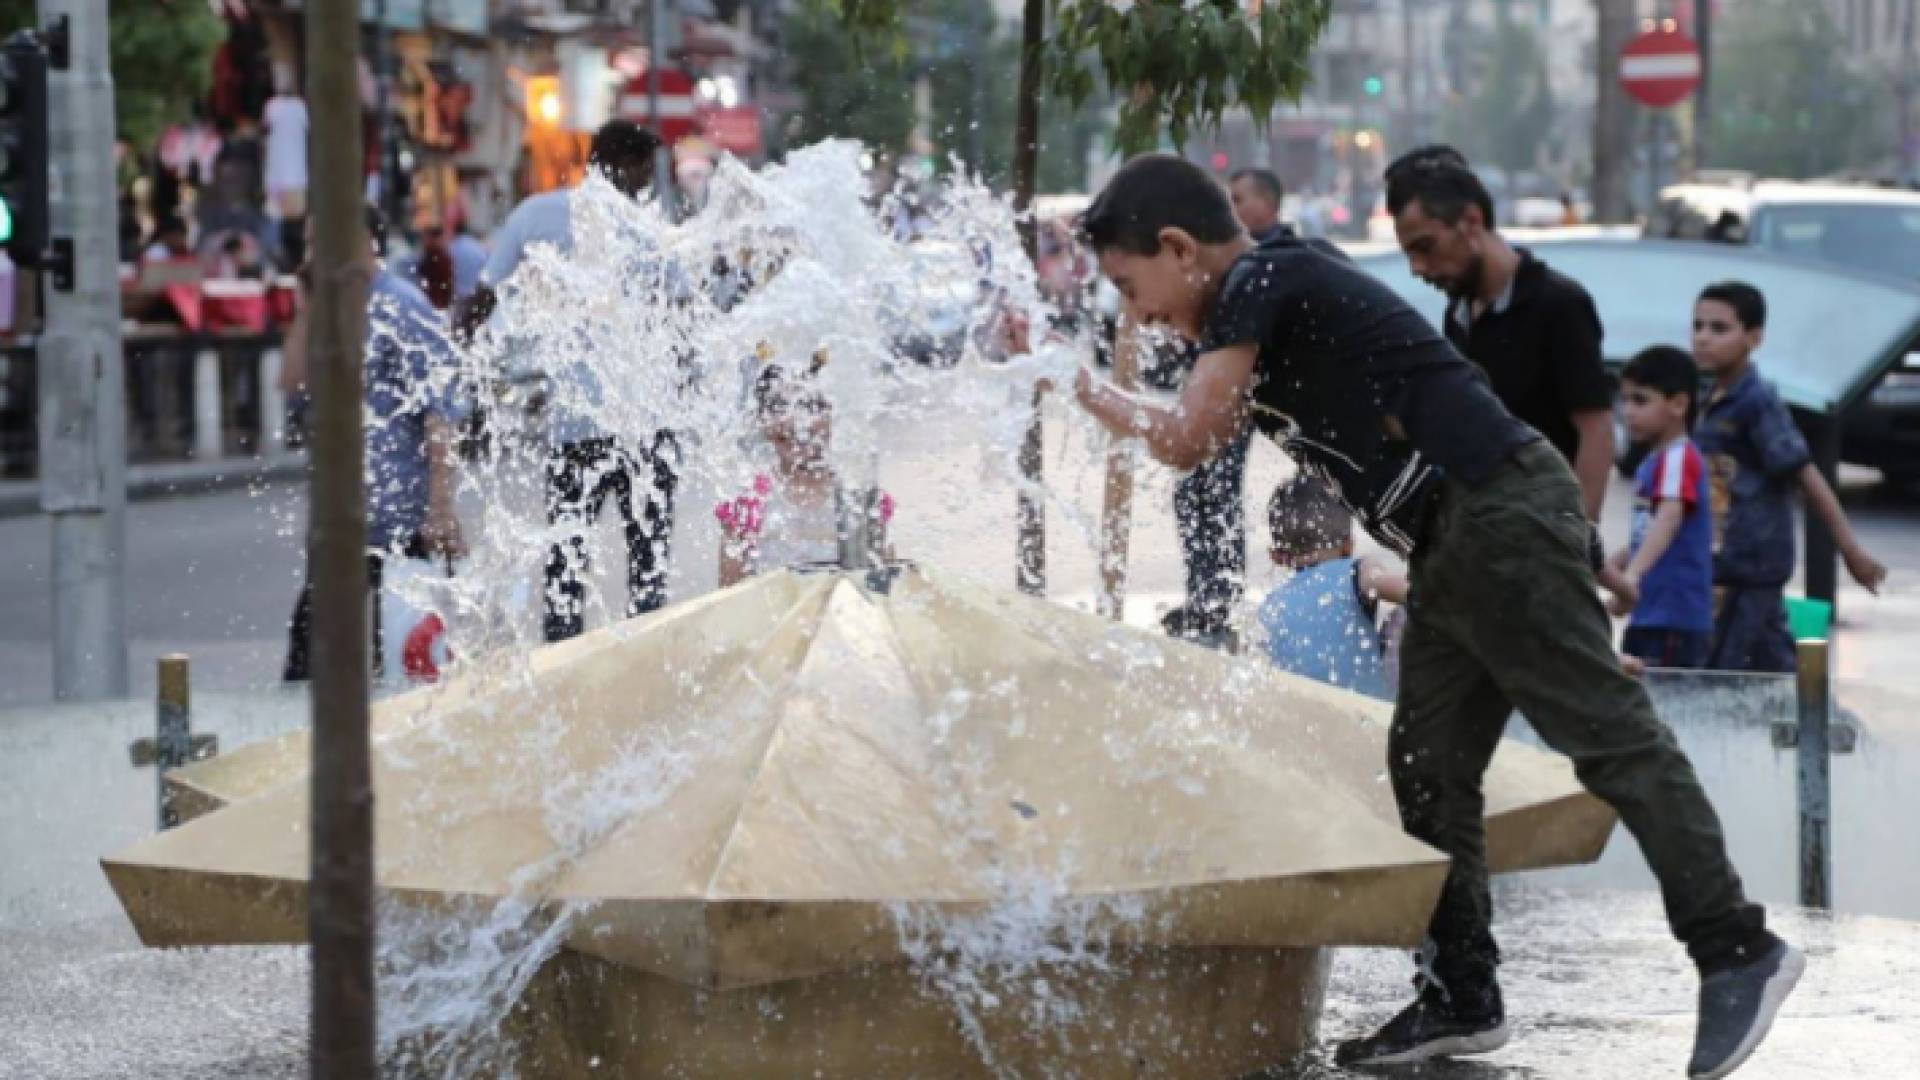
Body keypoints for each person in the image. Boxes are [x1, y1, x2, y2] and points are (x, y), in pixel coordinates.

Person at [1063, 153, 1798, 1078]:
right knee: (1427, 765)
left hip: (1492, 510)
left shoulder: (1259, 276)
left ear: (1178, 246)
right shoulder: (1272, 282)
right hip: (1453, 538)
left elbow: (1190, 435)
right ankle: (1462, 993)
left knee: (1610, 738)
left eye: (1135, 287)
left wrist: (1076, 385)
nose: (1139, 313)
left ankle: (1735, 949)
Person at [460, 120, 678, 642]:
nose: (648, 181)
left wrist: (466, 368)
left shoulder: (535, 214)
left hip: (575, 428)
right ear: (622, 166)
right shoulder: (651, 229)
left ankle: (562, 660)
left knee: (567, 560)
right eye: (644, 169)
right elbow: (682, 311)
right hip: (645, 425)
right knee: (647, 565)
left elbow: (484, 297)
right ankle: (645, 661)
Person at [1385, 148, 1632, 605]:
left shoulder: (1559, 304)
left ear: (1471, 222)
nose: (1419, 269)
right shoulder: (1457, 314)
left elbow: (1595, 429)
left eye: (1425, 246)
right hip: (1478, 544)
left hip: (1545, 547)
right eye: (1409, 254)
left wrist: (1576, 541)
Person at [285, 206, 466, 681]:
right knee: (313, 659)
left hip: (398, 513)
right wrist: (306, 311)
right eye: (306, 244)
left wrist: (440, 505)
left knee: (402, 658)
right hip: (339, 514)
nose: (310, 256)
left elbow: (440, 411)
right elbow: (291, 381)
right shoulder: (327, 308)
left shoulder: (401, 306)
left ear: (363, 242)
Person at [1690, 282, 1886, 672]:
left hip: (1753, 565)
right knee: (1770, 666)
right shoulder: (1710, 396)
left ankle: (1829, 727)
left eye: (1718, 328)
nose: (1703, 338)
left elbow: (1807, 476)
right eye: (1697, 326)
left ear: (1753, 338)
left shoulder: (1756, 401)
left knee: (1730, 673)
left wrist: (1852, 552)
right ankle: (1824, 725)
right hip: (1724, 564)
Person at [715, 359, 894, 587]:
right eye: (779, 407)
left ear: (833, 413)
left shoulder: (859, 501)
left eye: (811, 406)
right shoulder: (746, 506)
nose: (795, 421)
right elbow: (730, 602)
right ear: (760, 420)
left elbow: (885, 593)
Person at [1608, 346, 1715, 670]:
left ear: (1678, 404)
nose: (1628, 411)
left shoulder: (1678, 458)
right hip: (1652, 614)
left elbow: (1668, 518)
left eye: (1640, 400)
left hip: (1673, 618)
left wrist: (1631, 578)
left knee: (1664, 704)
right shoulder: (1655, 461)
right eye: (1624, 400)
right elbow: (1648, 532)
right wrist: (1612, 565)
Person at [1256, 473, 1405, 701]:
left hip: (1296, 720)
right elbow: (1408, 591)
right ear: (1348, 546)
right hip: (1367, 717)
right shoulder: (1358, 571)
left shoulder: (1268, 607)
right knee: (1407, 613)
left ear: (1276, 557)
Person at [1227, 167, 1286, 244]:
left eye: (1236, 200)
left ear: (1267, 204)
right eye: (1227, 201)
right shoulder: (1226, 250)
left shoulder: (1295, 253)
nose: (1229, 209)